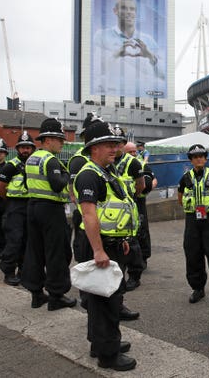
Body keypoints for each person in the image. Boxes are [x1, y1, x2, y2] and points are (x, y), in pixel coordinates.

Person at [74, 118, 139, 371]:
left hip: (112, 244)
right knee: (106, 302)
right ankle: (108, 355)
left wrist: (122, 240)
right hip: (99, 246)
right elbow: (89, 215)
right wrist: (99, 250)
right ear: (93, 148)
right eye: (108, 144)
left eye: (115, 144)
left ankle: (100, 343)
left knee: (104, 299)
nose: (114, 148)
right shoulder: (89, 175)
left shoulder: (106, 172)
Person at [22, 118, 75, 310]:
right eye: (59, 139)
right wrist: (67, 174)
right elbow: (57, 184)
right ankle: (56, 296)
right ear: (48, 140)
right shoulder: (50, 159)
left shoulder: (32, 158)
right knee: (57, 252)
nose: (62, 143)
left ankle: (36, 294)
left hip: (33, 207)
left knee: (35, 251)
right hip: (51, 210)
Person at [92, 0, 165, 97]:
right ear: (115, 11)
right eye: (124, 8)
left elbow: (164, 76)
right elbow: (95, 71)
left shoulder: (149, 40)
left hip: (144, 98)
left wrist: (150, 56)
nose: (128, 12)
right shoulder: (101, 36)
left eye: (132, 9)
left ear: (136, 13)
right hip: (110, 95)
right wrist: (116, 54)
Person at [177, 144, 209, 304]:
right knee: (193, 254)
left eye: (201, 156)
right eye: (195, 157)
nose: (199, 159)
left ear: (206, 158)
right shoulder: (185, 178)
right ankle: (198, 288)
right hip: (193, 220)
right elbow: (180, 199)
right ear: (191, 160)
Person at [0, 131, 36, 286]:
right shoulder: (11, 166)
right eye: (22, 147)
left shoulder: (34, 164)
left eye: (28, 147)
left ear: (33, 148)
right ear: (17, 149)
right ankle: (8, 271)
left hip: (31, 205)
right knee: (14, 240)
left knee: (28, 241)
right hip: (15, 206)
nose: (25, 150)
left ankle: (23, 270)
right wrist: (11, 201)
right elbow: (0, 188)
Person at [114, 134, 145, 291]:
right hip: (113, 211)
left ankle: (135, 276)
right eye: (114, 143)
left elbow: (141, 185)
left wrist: (132, 197)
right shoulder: (109, 160)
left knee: (133, 244)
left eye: (120, 144)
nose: (117, 147)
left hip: (129, 208)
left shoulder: (132, 162)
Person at [124, 141, 155, 293]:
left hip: (138, 201)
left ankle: (142, 261)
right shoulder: (120, 165)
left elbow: (151, 182)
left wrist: (137, 193)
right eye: (130, 152)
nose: (133, 155)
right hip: (125, 205)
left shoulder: (141, 165)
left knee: (142, 232)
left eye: (134, 152)